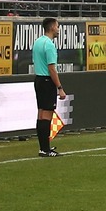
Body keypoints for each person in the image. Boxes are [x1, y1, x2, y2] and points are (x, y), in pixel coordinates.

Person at [30, 18, 68, 157]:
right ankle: (45, 149)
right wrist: (60, 87)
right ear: (52, 27)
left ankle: (43, 147)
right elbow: (52, 69)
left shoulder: (38, 42)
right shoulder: (49, 45)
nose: (58, 29)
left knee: (40, 115)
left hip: (38, 80)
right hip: (47, 81)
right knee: (46, 115)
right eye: (57, 26)